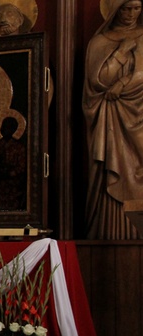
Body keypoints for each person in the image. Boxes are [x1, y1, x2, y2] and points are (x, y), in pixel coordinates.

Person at [83, 0, 143, 239]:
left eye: (137, 8)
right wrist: (121, 52)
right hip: (109, 119)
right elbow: (98, 81)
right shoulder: (98, 42)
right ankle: (109, 232)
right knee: (111, 166)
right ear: (115, 9)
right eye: (126, 8)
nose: (131, 14)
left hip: (139, 116)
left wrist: (122, 83)